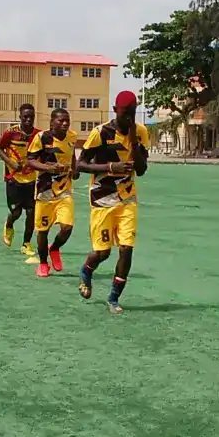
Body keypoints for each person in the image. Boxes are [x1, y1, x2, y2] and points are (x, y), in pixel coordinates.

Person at [78, 91, 150, 313]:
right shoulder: (100, 133)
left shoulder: (140, 132)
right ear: (115, 109)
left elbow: (142, 170)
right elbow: (80, 165)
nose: (130, 117)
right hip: (102, 198)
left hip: (127, 198)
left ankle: (114, 298)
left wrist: (135, 144)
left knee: (126, 249)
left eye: (134, 112)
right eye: (126, 112)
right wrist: (111, 168)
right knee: (103, 253)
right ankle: (86, 271)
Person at [26, 107, 78, 278]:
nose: (64, 123)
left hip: (64, 191)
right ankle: (43, 263)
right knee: (42, 231)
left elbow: (72, 157)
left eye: (67, 120)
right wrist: (49, 167)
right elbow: (31, 161)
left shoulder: (72, 137)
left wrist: (74, 170)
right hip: (45, 191)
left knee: (67, 227)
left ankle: (54, 249)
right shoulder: (42, 138)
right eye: (61, 120)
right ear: (51, 122)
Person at [0, 104, 40, 261]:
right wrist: (11, 163)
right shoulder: (11, 133)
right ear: (20, 117)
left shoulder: (38, 135)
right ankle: (9, 224)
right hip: (13, 178)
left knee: (31, 212)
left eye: (31, 117)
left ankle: (26, 243)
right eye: (25, 117)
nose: (29, 120)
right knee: (16, 212)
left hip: (31, 179)